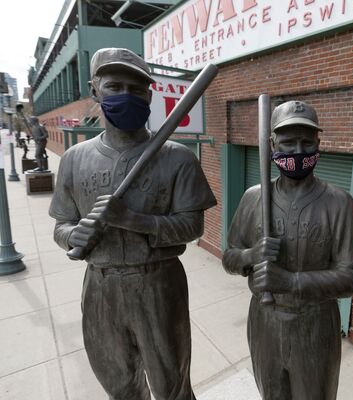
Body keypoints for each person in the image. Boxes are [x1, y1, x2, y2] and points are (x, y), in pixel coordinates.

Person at [49, 48, 217, 400]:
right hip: (100, 287)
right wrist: (73, 235)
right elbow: (61, 225)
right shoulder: (75, 160)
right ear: (95, 91)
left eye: (136, 89)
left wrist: (133, 220)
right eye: (114, 86)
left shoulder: (178, 158)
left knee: (172, 386)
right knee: (120, 385)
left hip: (158, 284)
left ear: (149, 95)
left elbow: (192, 227)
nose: (125, 95)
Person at [222, 100, 353, 400]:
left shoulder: (339, 203)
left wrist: (291, 282)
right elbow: (229, 257)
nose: (298, 151)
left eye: (307, 141)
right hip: (265, 320)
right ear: (272, 144)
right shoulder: (254, 198)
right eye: (288, 142)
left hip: (315, 324)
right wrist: (251, 256)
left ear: (318, 143)